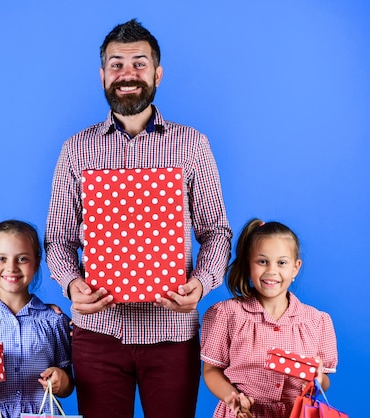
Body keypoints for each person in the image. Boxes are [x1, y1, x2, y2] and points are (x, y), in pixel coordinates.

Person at [45, 18, 232, 418]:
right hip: (98, 333)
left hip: (172, 332)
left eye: (139, 63)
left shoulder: (192, 145)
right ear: (102, 76)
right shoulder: (76, 149)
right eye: (116, 64)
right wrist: (71, 283)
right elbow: (58, 240)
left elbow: (216, 231)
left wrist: (200, 284)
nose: (127, 74)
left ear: (157, 74)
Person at [200, 219, 338, 418]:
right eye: (262, 261)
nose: (271, 271)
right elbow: (211, 370)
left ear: (295, 268)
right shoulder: (227, 314)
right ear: (249, 264)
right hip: (245, 413)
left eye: (281, 262)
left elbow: (324, 382)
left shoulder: (317, 321)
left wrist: (316, 377)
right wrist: (232, 397)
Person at [0, 220, 74, 417]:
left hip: (41, 412)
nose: (11, 267)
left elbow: (67, 383)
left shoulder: (54, 321)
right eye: (1, 258)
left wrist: (62, 381)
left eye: (22, 259)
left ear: (36, 264)